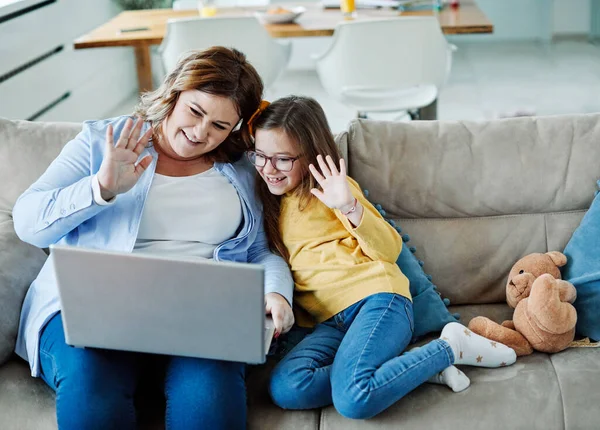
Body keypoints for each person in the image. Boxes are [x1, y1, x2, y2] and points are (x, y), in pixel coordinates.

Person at [12, 47, 294, 430]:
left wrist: (276, 292)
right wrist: (102, 187)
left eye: (220, 126)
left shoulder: (242, 167)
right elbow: (28, 223)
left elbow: (262, 249)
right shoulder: (103, 142)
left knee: (209, 400)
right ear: (173, 93)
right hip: (92, 308)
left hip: (201, 313)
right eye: (195, 112)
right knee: (94, 395)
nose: (200, 133)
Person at [247, 95, 517, 419]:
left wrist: (347, 205)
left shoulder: (333, 190)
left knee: (354, 399)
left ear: (310, 156)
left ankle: (451, 347)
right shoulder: (269, 200)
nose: (268, 168)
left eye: (282, 159)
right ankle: (402, 372)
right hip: (332, 323)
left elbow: (389, 250)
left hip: (378, 300)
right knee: (287, 388)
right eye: (260, 156)